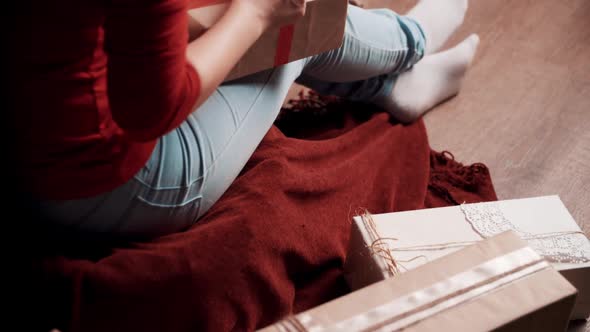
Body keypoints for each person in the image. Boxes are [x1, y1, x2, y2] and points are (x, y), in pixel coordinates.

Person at [14, 0, 479, 238]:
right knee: (289, 26)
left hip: (34, 148)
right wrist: (255, 16)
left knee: (249, 15)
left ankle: (395, 80)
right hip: (107, 185)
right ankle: (410, 45)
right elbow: (152, 110)